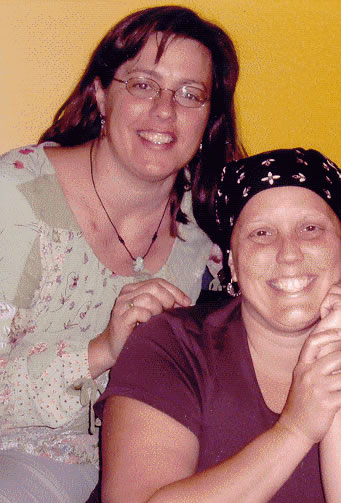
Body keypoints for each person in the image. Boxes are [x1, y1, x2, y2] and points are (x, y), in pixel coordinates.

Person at [96, 148, 341, 503]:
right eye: (261, 233)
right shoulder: (170, 344)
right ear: (232, 263)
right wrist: (295, 430)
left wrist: (331, 353)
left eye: (310, 229)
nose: (288, 253)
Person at [0, 6, 243, 501]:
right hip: (19, 460)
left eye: (189, 94)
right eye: (143, 85)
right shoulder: (18, 201)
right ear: (100, 94)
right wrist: (102, 350)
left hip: (152, 464)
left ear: (209, 118)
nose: (165, 111)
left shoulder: (210, 234)